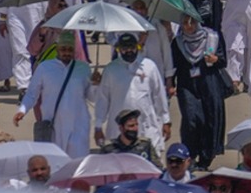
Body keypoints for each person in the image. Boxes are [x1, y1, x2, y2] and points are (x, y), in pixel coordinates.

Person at [92, 33, 170, 158]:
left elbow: (159, 95)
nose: (129, 51)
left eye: (132, 47)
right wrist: (98, 127)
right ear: (118, 49)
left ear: (138, 47)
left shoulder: (149, 67)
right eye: (124, 48)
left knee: (150, 166)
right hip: (119, 131)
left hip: (146, 126)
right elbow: (103, 100)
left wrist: (166, 121)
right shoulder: (111, 70)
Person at [13, 32, 91, 157]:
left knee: (78, 166)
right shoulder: (45, 68)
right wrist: (22, 110)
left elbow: (91, 96)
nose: (66, 52)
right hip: (54, 126)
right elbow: (32, 94)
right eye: (63, 49)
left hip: (78, 126)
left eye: (70, 49)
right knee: (56, 166)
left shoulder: (83, 68)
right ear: (57, 49)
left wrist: (96, 83)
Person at [171, 14, 227, 171]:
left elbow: (224, 61)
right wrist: (170, 83)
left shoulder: (212, 37)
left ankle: (205, 157)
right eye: (185, 23)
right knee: (191, 119)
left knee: (209, 119)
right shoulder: (178, 42)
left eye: (192, 22)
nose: (189, 26)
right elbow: (173, 65)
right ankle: (190, 154)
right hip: (187, 85)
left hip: (209, 84)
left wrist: (214, 59)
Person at [96, 108, 160, 165]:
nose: (135, 128)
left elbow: (157, 167)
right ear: (121, 128)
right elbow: (100, 169)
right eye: (131, 126)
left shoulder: (145, 144)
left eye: (136, 125)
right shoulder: (108, 148)